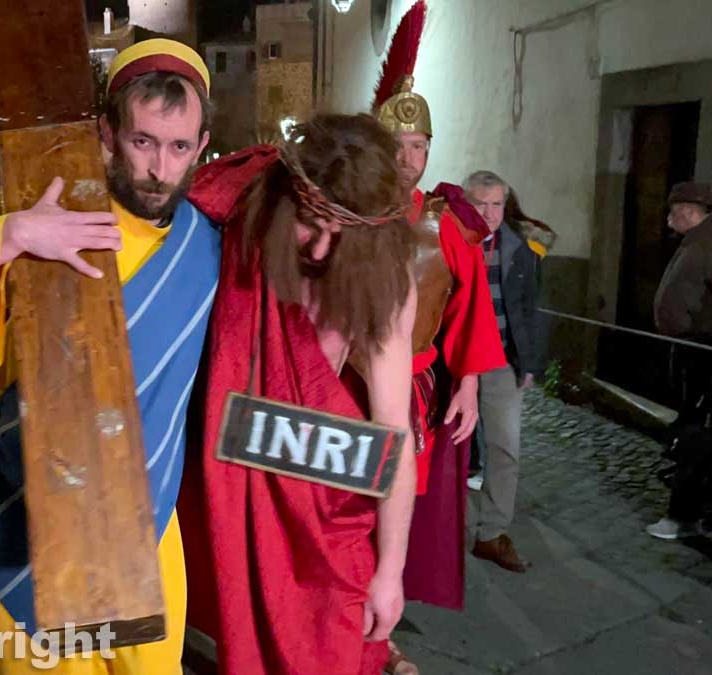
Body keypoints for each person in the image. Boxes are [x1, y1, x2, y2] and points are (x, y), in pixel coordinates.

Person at [0, 39, 218, 674]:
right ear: (107, 132)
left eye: (179, 147)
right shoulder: (43, 211)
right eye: (143, 141)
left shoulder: (206, 248)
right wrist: (10, 234)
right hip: (37, 512)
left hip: (147, 524)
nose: (159, 168)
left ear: (202, 146)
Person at [180, 113, 419, 675]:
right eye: (310, 224)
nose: (320, 247)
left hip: (324, 498)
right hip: (234, 489)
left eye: (343, 237)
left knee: (332, 642)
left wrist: (390, 573)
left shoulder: (385, 283)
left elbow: (394, 434)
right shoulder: (241, 232)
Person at [366, 3, 508, 671]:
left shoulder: (446, 224)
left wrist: (470, 384)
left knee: (395, 510)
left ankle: (380, 634)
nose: (408, 158)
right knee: (342, 507)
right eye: (396, 145)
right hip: (341, 391)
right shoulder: (346, 216)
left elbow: (469, 308)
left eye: (419, 145)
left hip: (415, 395)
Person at [647, 181, 712, 540]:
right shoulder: (698, 241)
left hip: (710, 355)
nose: (668, 219)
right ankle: (695, 505)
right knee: (691, 423)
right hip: (694, 349)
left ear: (688, 211)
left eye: (672, 212)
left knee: (698, 432)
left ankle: (685, 514)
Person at [464, 170, 545, 571]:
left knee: (505, 448)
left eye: (497, 204)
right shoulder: (449, 241)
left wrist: (528, 362)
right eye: (481, 204)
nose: (490, 213)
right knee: (442, 450)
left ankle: (491, 534)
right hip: (455, 362)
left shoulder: (520, 249)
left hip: (500, 362)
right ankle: (432, 533)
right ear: (466, 203)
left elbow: (530, 309)